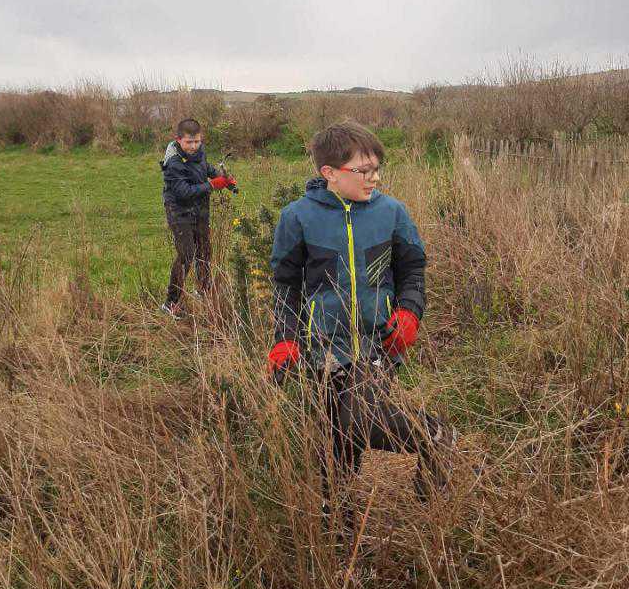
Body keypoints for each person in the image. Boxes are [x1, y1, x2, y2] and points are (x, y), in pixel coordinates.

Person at [268, 120, 455, 517]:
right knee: (335, 449)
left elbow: (413, 269)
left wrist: (409, 313)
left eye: (377, 168)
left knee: (362, 421)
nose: (374, 178)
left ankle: (435, 438)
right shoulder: (296, 218)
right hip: (320, 352)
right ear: (329, 174)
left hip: (375, 347)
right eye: (363, 171)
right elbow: (285, 287)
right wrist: (284, 339)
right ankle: (339, 528)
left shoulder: (391, 213)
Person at [160, 118, 236, 316]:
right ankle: (171, 302)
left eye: (197, 141)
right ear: (178, 140)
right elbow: (183, 192)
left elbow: (206, 168)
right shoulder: (173, 163)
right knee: (186, 255)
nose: (193, 146)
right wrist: (212, 185)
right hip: (179, 211)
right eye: (189, 142)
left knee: (204, 250)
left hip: (200, 208)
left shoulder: (199, 153)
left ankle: (202, 291)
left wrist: (223, 178)